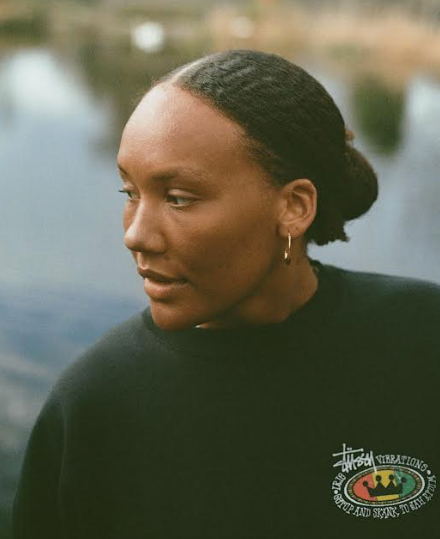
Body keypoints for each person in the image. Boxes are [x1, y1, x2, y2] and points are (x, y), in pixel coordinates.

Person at [13, 49, 439, 538]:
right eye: (130, 193)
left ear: (294, 207)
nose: (135, 235)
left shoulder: (422, 336)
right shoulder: (93, 404)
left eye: (178, 198)